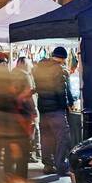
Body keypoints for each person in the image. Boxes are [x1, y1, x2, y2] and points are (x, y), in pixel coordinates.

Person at [33, 46, 75, 175]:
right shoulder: (59, 70)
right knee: (63, 138)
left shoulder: (39, 67)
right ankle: (61, 166)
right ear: (63, 58)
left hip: (43, 108)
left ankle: (48, 165)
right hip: (56, 109)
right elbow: (61, 91)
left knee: (46, 138)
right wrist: (67, 104)